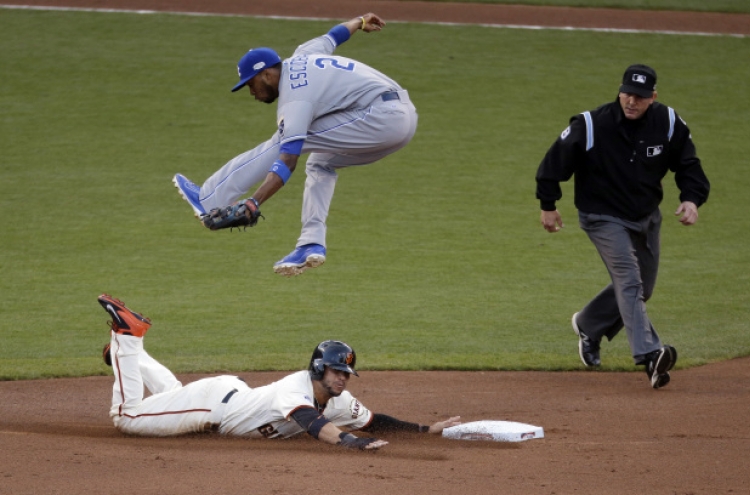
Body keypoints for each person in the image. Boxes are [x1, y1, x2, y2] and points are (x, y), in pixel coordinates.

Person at [173, 13, 418, 277]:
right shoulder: (304, 53)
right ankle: (311, 243)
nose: (251, 92)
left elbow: (287, 160)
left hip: (380, 119)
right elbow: (335, 36)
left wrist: (255, 202)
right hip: (401, 119)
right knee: (320, 162)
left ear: (266, 74)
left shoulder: (295, 99)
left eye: (250, 84)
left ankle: (210, 198)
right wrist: (359, 22)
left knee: (285, 141)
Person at [535, 64, 710, 389]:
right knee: (629, 280)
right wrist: (548, 204)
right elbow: (553, 162)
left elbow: (688, 164)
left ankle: (589, 324)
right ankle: (650, 355)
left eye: (641, 97)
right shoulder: (591, 124)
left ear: (653, 97)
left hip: (645, 216)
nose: (632, 101)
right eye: (628, 93)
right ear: (620, 91)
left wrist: (691, 199)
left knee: (643, 287)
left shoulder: (668, 123)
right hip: (601, 216)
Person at [97, 294, 460, 448]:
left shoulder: (339, 399)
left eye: (346, 374)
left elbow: (372, 421)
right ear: (319, 369)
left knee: (166, 397)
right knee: (126, 416)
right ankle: (127, 339)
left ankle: (125, 357)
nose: (342, 378)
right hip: (211, 406)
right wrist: (351, 443)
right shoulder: (296, 389)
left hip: (222, 395)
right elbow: (314, 425)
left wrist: (425, 429)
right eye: (336, 372)